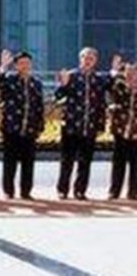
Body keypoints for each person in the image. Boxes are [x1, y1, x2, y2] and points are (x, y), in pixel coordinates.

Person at [55, 47, 111, 200]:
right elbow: (58, 96)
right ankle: (63, 190)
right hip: (72, 125)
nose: (88, 61)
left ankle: (80, 190)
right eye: (85, 57)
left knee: (85, 161)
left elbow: (102, 103)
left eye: (91, 58)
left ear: (95, 61)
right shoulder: (71, 76)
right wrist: (64, 84)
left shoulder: (99, 79)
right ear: (80, 59)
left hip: (90, 126)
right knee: (67, 160)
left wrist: (101, 125)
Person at [0, 50, 45, 200]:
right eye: (21, 63)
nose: (24, 66)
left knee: (28, 162)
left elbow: (39, 105)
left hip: (30, 127)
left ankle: (26, 191)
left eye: (27, 63)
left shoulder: (36, 83)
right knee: (10, 161)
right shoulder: (10, 80)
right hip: (12, 127)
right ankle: (8, 190)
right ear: (16, 66)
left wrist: (39, 125)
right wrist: (3, 67)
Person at [107, 59, 136, 200]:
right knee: (118, 162)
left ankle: (133, 192)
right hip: (120, 129)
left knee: (135, 163)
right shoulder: (118, 86)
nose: (131, 75)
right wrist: (114, 71)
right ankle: (114, 191)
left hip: (135, 131)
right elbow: (108, 86)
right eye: (128, 72)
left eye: (134, 72)